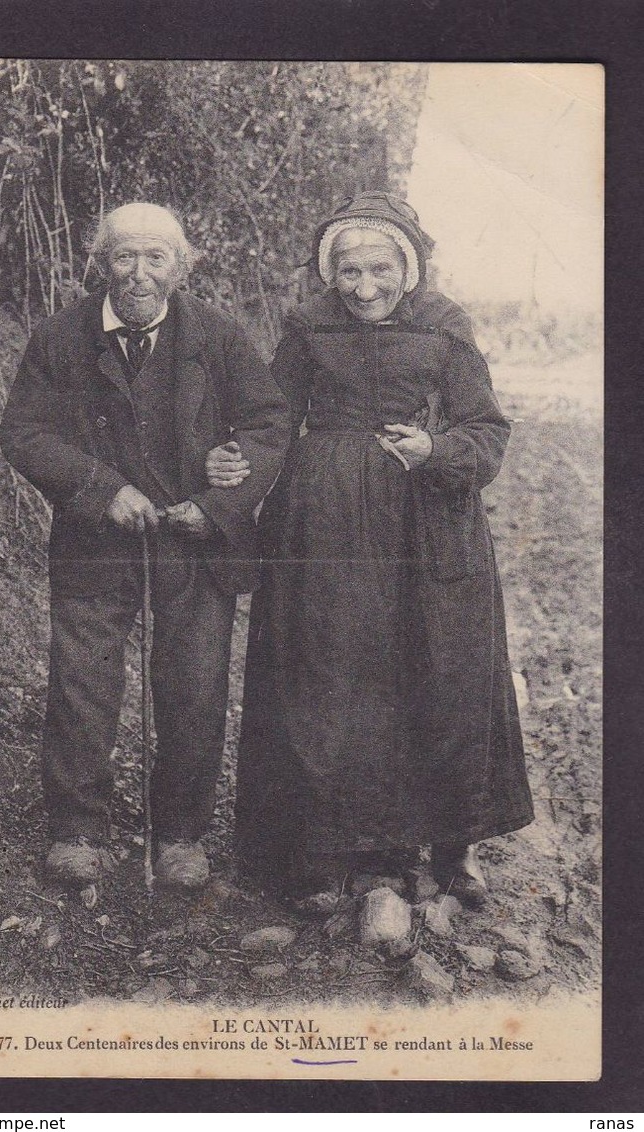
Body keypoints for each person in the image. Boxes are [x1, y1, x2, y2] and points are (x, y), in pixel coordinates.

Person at [207, 191, 534, 913]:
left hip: (428, 527)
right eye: (348, 272)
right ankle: (333, 851)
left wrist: (437, 448)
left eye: (379, 270)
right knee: (330, 678)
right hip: (324, 528)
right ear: (331, 275)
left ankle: (454, 846)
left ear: (408, 267)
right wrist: (237, 466)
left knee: (442, 674)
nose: (363, 289)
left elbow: (486, 432)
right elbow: (271, 419)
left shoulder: (446, 329)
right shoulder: (307, 328)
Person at [0, 202, 290, 890]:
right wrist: (101, 490)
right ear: (100, 264)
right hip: (94, 542)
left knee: (194, 684)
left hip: (195, 543)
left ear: (182, 266)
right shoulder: (59, 337)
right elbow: (26, 434)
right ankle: (75, 830)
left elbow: (269, 425)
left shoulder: (218, 336)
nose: (139, 274)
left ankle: (182, 836)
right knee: (83, 682)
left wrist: (221, 494)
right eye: (124, 257)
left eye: (156, 257)